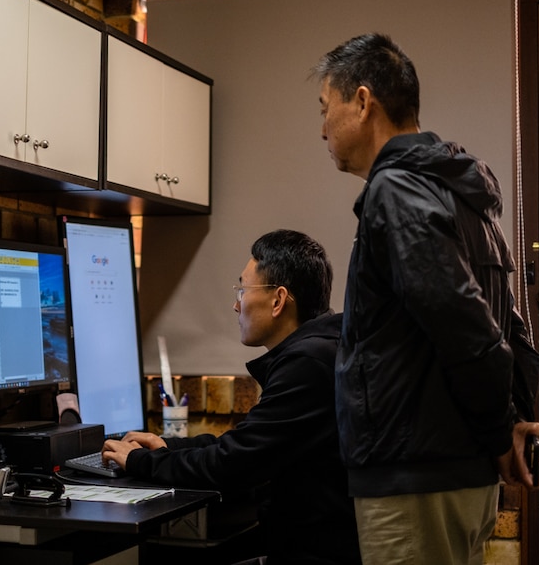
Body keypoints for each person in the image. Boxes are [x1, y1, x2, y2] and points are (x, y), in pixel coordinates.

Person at [311, 33, 539, 564]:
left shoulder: (395, 189)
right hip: (457, 474)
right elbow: (514, 331)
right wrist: (512, 422)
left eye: (326, 109)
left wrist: (498, 433)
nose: (321, 128)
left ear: (364, 101)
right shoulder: (463, 192)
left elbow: (465, 323)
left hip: (414, 476)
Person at [102, 229, 360, 565]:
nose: (236, 303)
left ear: (278, 300)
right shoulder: (324, 347)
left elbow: (233, 463)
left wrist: (139, 461)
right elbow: (249, 444)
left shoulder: (307, 364)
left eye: (243, 289)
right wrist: (170, 447)